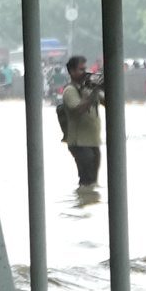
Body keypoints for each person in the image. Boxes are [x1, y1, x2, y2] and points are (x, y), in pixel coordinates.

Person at [56, 51, 107, 206]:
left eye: (85, 68)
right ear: (72, 72)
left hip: (93, 142)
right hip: (79, 143)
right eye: (81, 69)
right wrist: (91, 95)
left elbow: (108, 103)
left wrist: (102, 87)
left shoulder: (88, 88)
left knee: (93, 181)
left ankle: (88, 202)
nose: (85, 72)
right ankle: (82, 203)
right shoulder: (70, 90)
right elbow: (77, 109)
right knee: (86, 180)